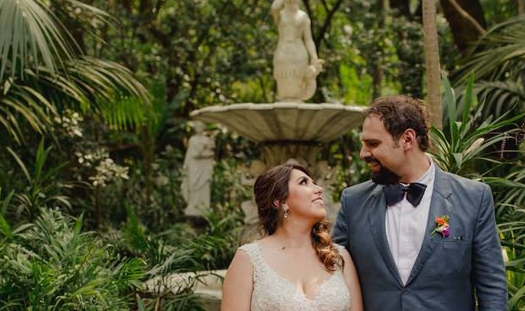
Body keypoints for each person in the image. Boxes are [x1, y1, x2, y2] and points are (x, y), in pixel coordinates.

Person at [333, 96, 508, 310]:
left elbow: (492, 288)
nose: (363, 153)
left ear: (408, 139)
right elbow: (330, 274)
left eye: (373, 144)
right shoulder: (353, 201)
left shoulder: (474, 197)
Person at [222, 163, 363, 311]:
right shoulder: (248, 259)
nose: (319, 189)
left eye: (314, 183)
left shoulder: (339, 257)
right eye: (304, 182)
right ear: (280, 201)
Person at [271, 0, 322, 102]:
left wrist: (314, 57)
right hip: (283, 51)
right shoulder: (281, 15)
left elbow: (308, 39)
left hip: (298, 51)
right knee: (284, 86)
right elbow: (274, 7)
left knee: (298, 87)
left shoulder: (303, 16)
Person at [181, 121, 215, 217]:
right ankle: (193, 205)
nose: (198, 128)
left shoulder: (207, 140)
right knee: (193, 185)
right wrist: (186, 165)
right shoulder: (192, 139)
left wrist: (203, 153)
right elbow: (191, 154)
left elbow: (211, 153)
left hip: (203, 166)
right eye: (197, 127)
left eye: (200, 127)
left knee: (203, 185)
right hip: (193, 166)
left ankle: (203, 206)